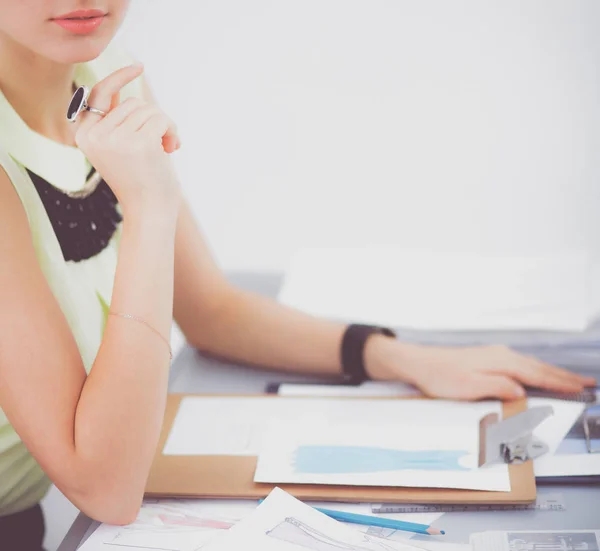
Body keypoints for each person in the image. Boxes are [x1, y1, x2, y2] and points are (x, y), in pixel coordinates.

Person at [0, 1, 594, 548]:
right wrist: (152, 208)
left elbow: (210, 309)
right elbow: (106, 488)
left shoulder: (101, 68)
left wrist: (400, 358)